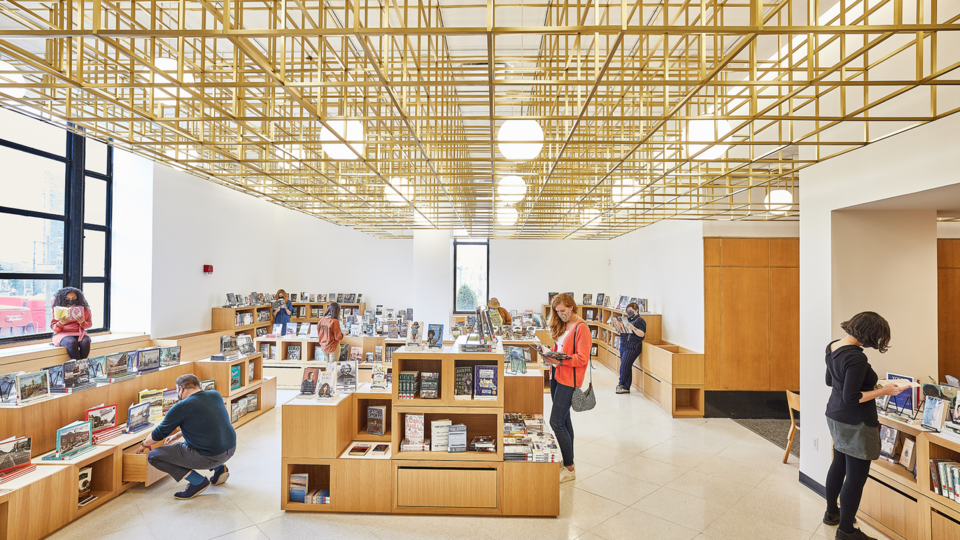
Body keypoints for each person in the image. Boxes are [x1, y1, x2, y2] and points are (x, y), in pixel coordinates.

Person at [824, 312, 908, 540]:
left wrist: (868, 383)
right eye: (877, 337)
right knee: (856, 477)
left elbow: (831, 381)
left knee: (839, 463)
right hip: (856, 421)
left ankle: (832, 513)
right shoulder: (857, 358)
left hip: (835, 415)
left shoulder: (833, 346)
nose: (877, 342)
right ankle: (847, 532)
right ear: (868, 333)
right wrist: (884, 391)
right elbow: (852, 397)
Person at [139, 374, 237, 500]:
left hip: (210, 456)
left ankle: (197, 482)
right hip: (230, 449)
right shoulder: (215, 395)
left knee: (154, 457)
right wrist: (178, 434)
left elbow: (159, 433)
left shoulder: (182, 406)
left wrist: (144, 444)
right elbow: (209, 423)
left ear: (181, 389)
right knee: (195, 442)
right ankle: (220, 469)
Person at [542, 293, 591, 483]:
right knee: (564, 420)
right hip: (556, 376)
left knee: (556, 422)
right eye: (557, 311)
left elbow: (582, 358)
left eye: (562, 310)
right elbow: (561, 348)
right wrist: (550, 355)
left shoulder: (582, 328)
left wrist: (559, 361)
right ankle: (568, 462)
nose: (560, 314)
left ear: (571, 307)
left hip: (568, 379)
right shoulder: (563, 325)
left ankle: (569, 469)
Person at [50, 287, 93, 360]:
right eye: (67, 298)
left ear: (78, 298)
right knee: (72, 342)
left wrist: (82, 322)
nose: (70, 301)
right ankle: (81, 367)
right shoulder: (58, 309)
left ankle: (81, 367)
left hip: (79, 332)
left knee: (86, 342)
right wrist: (60, 323)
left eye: (73, 298)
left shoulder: (85, 309)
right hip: (62, 333)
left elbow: (89, 324)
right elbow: (54, 327)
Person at [613, 302, 646, 394]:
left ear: (636, 310)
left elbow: (642, 334)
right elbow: (624, 332)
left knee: (625, 365)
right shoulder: (626, 319)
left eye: (630, 311)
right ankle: (625, 386)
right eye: (627, 311)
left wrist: (633, 328)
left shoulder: (640, 320)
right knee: (624, 365)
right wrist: (619, 328)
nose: (628, 312)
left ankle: (622, 384)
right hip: (624, 343)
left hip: (633, 345)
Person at [317, 302, 343, 367]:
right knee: (333, 368)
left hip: (324, 346)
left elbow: (318, 331)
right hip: (333, 347)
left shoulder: (322, 320)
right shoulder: (335, 321)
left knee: (328, 367)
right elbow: (338, 337)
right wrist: (344, 333)